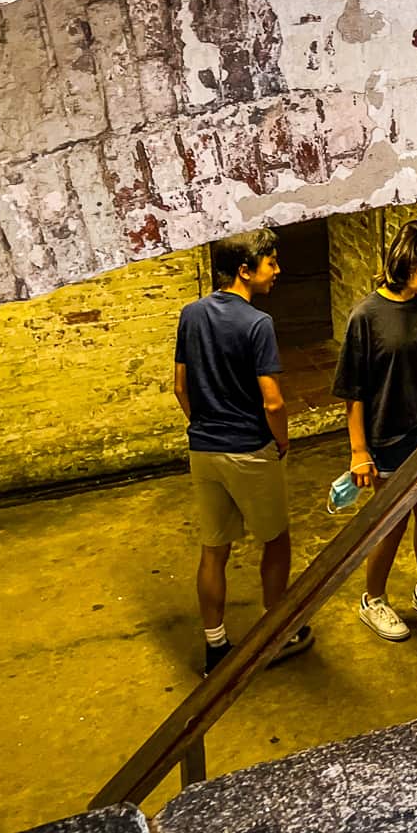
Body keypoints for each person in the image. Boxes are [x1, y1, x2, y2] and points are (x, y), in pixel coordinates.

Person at [173, 230, 311, 675]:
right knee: (276, 539)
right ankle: (278, 631)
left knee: (214, 549)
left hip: (204, 449)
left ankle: (216, 645)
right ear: (244, 271)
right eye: (270, 263)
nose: (277, 271)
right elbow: (272, 401)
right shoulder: (257, 324)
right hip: (249, 450)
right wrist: (282, 439)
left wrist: (205, 424)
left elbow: (180, 385)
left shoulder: (191, 314)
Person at [333, 217, 417, 641]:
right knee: (391, 522)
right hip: (389, 439)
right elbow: (353, 394)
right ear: (409, 261)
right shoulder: (366, 317)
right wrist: (359, 451)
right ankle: (373, 600)